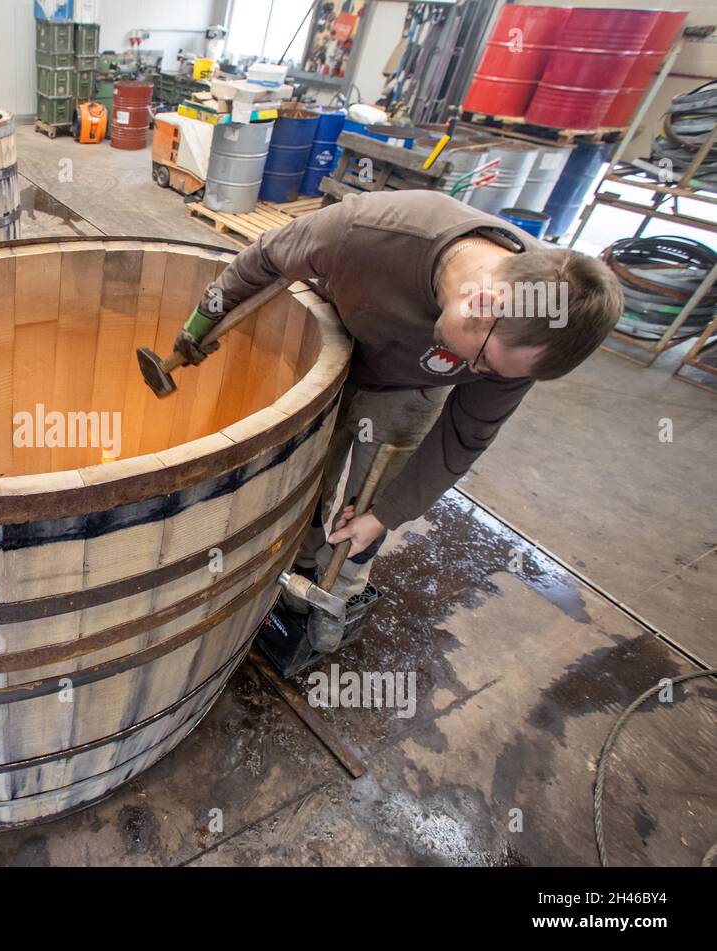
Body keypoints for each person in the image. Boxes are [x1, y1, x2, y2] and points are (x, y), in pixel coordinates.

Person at [173, 189, 623, 652]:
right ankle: (298, 568)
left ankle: (335, 593)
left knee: (371, 506)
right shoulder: (366, 233)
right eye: (484, 362)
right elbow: (265, 257)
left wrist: (385, 515)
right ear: (481, 303)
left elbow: (463, 438)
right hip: (329, 351)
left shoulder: (528, 329)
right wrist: (202, 323)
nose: (482, 376)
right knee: (304, 481)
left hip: (410, 387)